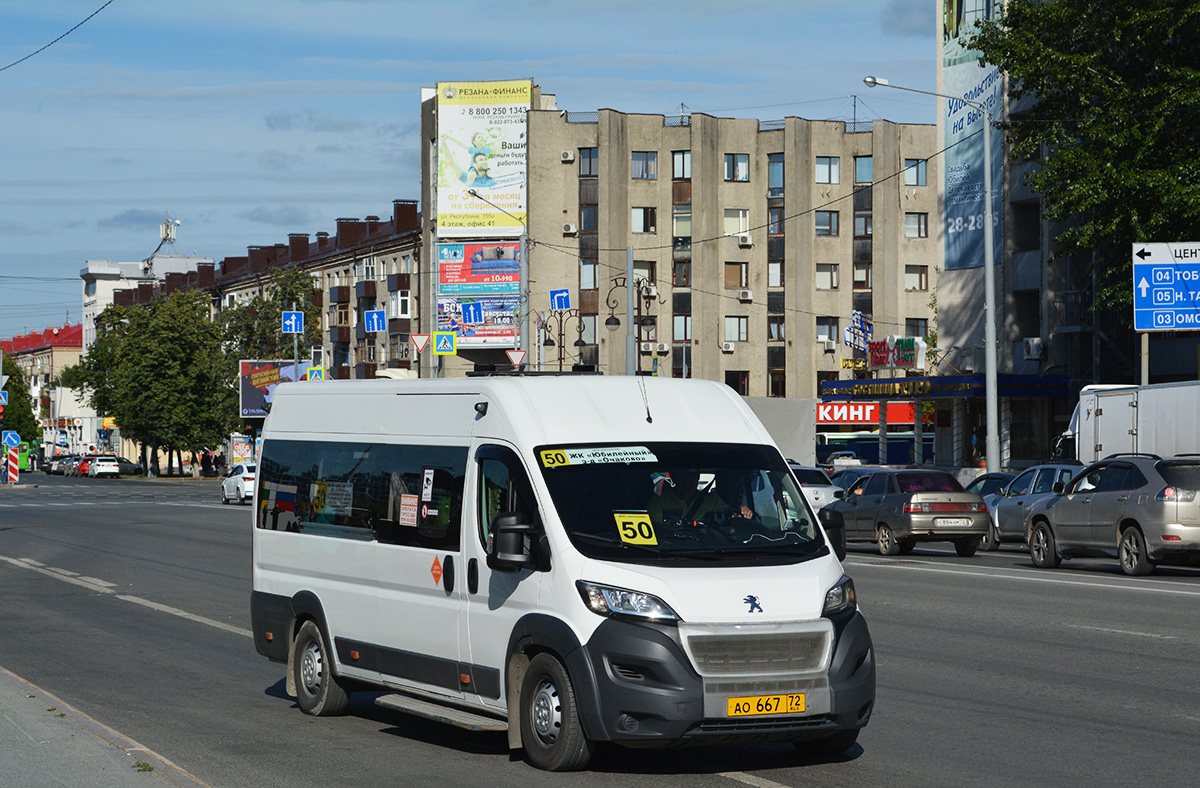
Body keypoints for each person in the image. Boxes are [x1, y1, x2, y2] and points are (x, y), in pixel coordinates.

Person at [648, 468, 753, 526]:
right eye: (682, 475)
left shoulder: (712, 500)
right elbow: (655, 531)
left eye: (691, 475)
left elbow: (728, 515)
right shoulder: (660, 501)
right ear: (674, 477)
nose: (687, 480)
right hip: (668, 552)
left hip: (708, 549)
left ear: (698, 477)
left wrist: (740, 512)